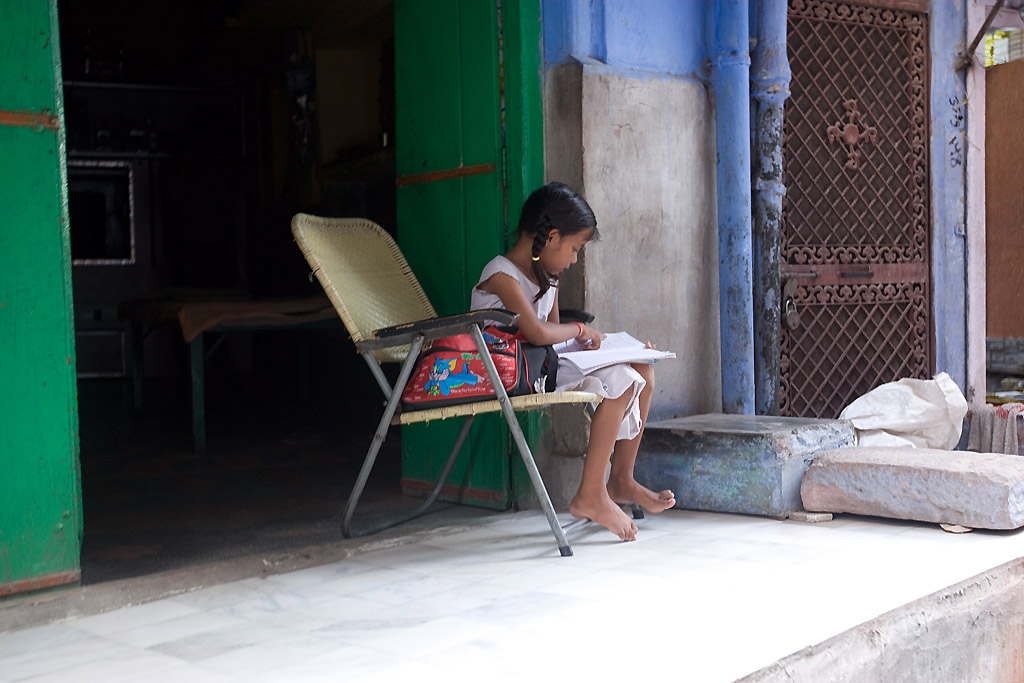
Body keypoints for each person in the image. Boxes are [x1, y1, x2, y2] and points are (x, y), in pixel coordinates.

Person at [470, 182, 675, 541]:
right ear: (551, 237)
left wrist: (621, 348)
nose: (575, 259)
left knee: (642, 369)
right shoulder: (501, 274)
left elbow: (555, 335)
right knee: (622, 381)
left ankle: (621, 480)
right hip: (513, 371)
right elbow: (537, 332)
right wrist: (579, 329)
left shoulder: (548, 277)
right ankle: (590, 495)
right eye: (576, 248)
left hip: (542, 364)